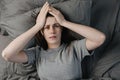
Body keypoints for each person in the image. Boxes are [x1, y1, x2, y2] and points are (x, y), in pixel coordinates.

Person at [2, 2, 106, 80]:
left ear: (61, 29)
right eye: (46, 27)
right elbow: (7, 55)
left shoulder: (74, 48)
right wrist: (38, 26)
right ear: (42, 32)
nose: (52, 31)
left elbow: (100, 38)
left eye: (56, 26)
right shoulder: (36, 53)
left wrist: (64, 22)